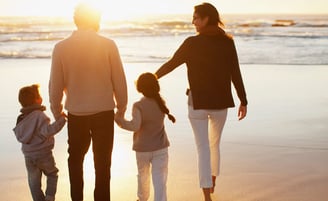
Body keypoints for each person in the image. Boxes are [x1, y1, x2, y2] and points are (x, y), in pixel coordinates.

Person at [154, 3, 248, 201]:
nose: (193, 21)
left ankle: (206, 194)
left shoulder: (191, 43)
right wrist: (243, 100)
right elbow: (235, 73)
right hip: (221, 103)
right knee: (214, 145)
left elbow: (172, 63)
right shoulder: (227, 42)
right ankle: (212, 179)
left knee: (203, 148)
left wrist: (152, 78)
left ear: (206, 19)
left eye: (196, 17)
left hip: (197, 103)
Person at [48, 3, 128, 201]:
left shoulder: (61, 47)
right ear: (97, 20)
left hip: (76, 113)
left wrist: (57, 113)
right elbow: (119, 79)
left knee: (75, 161)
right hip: (104, 112)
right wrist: (121, 109)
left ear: (76, 20)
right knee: (102, 164)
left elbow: (55, 86)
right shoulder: (108, 44)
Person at [115, 72, 175, 201]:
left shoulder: (138, 105)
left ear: (140, 88)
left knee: (143, 176)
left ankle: (142, 198)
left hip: (142, 149)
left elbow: (135, 126)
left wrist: (119, 120)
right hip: (161, 147)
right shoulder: (160, 103)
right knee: (160, 179)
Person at [13, 84, 66, 201]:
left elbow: (20, 136)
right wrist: (62, 120)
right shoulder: (39, 116)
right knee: (52, 174)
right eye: (40, 95)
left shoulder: (20, 119)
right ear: (37, 100)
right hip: (44, 154)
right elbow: (48, 131)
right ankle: (49, 198)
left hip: (28, 156)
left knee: (33, 181)